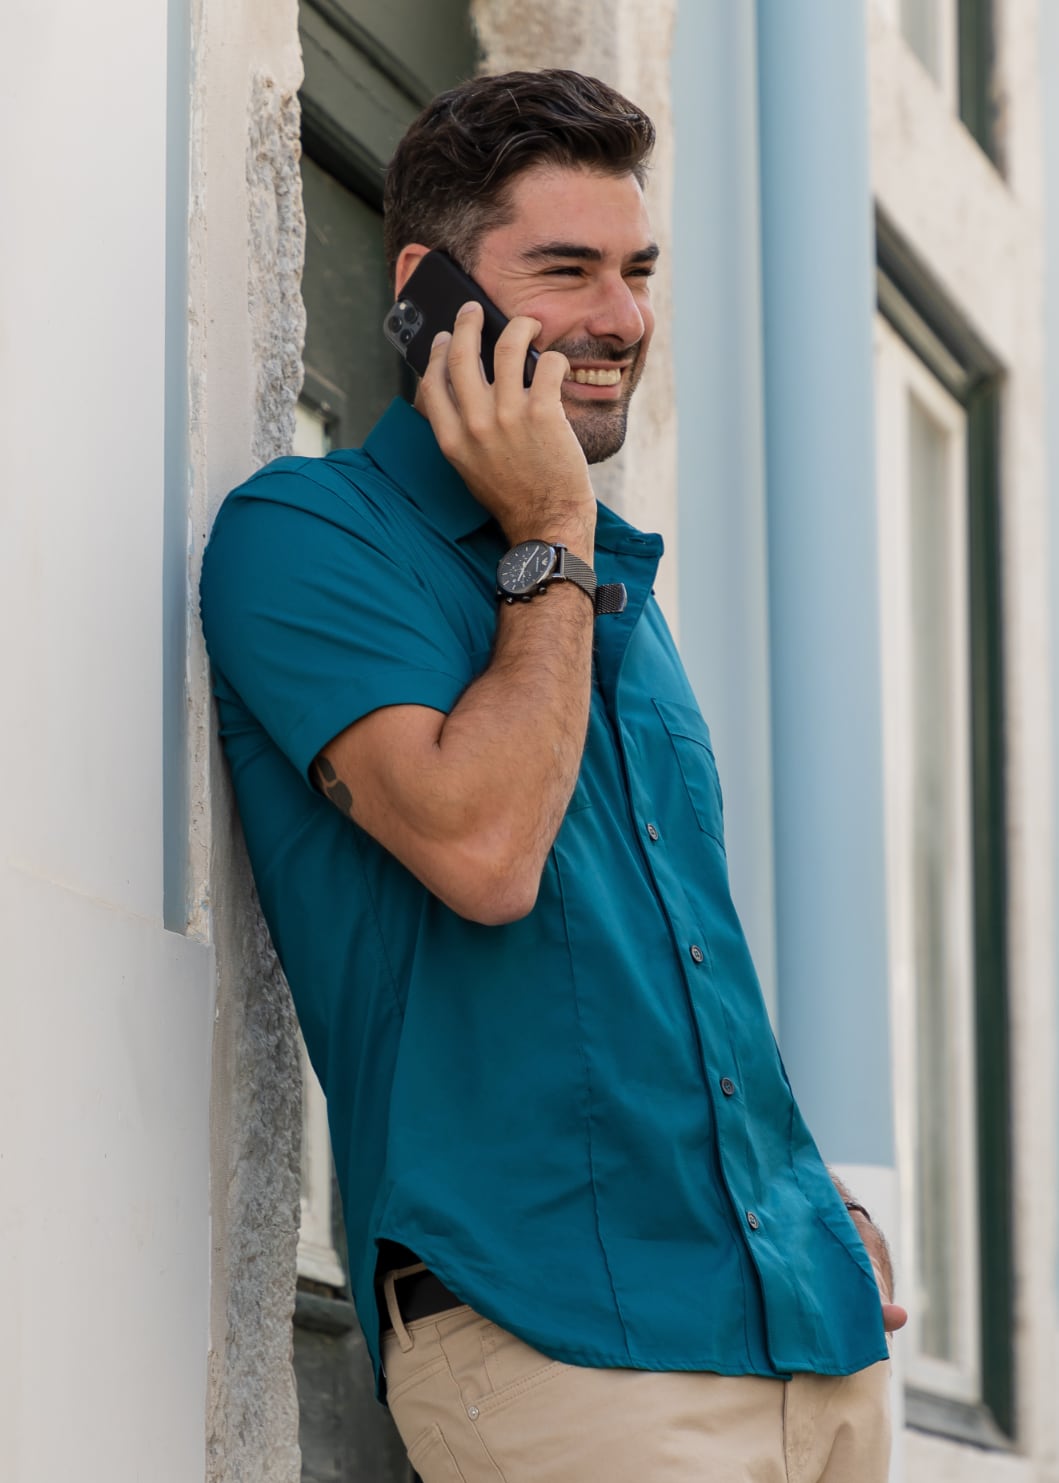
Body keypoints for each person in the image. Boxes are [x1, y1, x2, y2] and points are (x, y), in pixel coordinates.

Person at [200, 68, 905, 1483]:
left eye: (638, 271)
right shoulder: (308, 534)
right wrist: (548, 533)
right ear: (427, 292)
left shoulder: (601, 589)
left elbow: (669, 958)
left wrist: (795, 1186)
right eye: (566, 269)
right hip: (564, 1346)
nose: (622, 318)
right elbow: (486, 853)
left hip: (808, 1343)